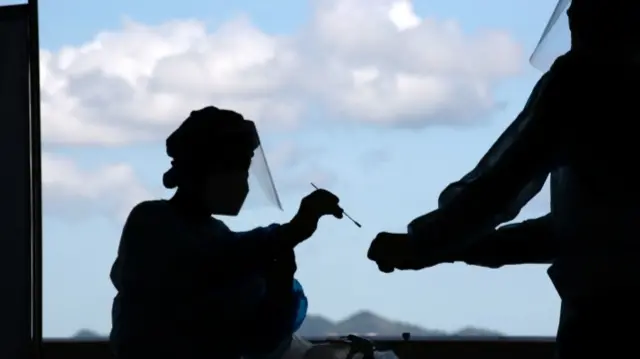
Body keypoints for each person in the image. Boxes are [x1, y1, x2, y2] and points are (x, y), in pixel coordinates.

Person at [368, 0, 640, 357]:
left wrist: (425, 243)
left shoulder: (582, 80)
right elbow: (589, 230)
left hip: (605, 325)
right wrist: (460, 246)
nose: (572, 12)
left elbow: (502, 185)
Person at [109, 106, 344, 359]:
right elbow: (216, 263)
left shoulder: (216, 234)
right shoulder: (151, 221)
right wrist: (292, 231)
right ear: (202, 168)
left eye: (245, 168)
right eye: (236, 166)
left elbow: (260, 338)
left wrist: (280, 285)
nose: (243, 180)